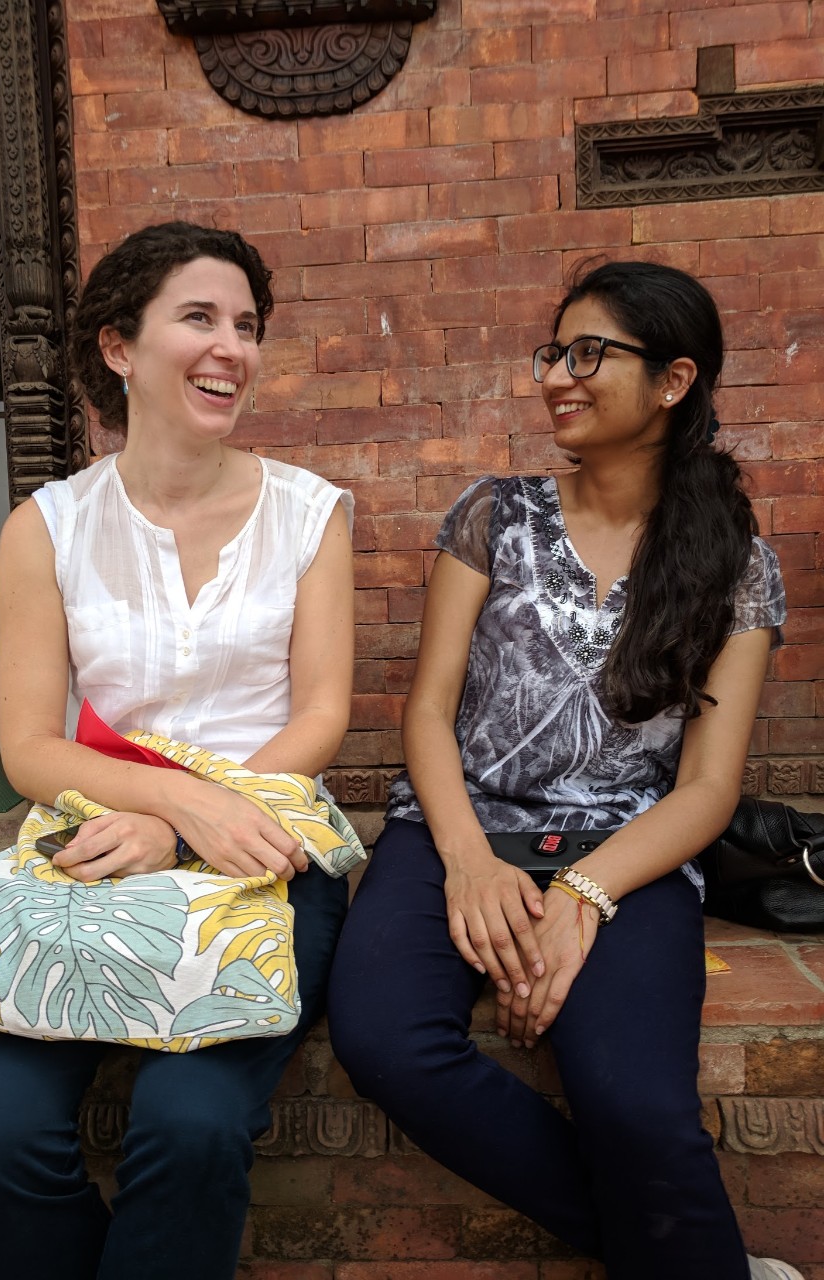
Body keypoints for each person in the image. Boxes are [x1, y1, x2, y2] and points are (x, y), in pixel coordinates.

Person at [328, 261, 799, 1280]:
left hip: (624, 848)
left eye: (590, 353)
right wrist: (468, 862)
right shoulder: (492, 515)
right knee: (385, 1041)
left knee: (635, 1100)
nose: (556, 376)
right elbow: (427, 710)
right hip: (456, 825)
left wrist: (584, 891)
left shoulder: (737, 565)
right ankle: (692, 1258)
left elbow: (709, 786)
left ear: (674, 382)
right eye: (554, 351)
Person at [0, 222, 354, 1280]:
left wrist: (191, 814)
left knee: (192, 1126)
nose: (233, 348)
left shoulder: (309, 513)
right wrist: (152, 814)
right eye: (200, 318)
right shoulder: (49, 526)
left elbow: (322, 713)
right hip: (95, 843)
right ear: (120, 346)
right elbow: (29, 745)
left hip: (264, 848)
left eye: (248, 326)